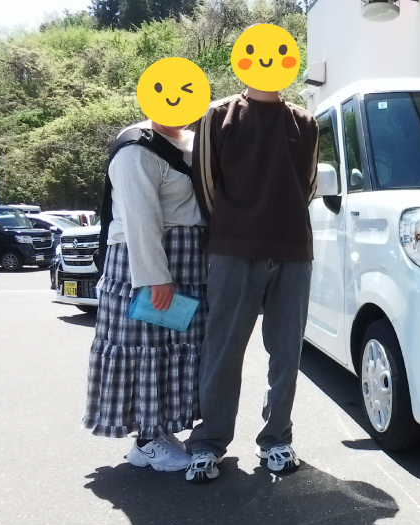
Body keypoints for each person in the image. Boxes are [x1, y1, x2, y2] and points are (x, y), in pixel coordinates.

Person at [184, 72, 319, 483]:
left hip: (293, 249)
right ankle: (209, 442)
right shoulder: (218, 115)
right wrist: (234, 226)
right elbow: (205, 181)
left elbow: (309, 185)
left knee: (287, 352)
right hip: (233, 249)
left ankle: (276, 438)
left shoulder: (305, 121)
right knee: (223, 350)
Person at [82, 119, 207, 471]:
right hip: (145, 262)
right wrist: (155, 277)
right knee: (147, 348)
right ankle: (147, 441)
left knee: (173, 349)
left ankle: (160, 431)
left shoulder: (193, 140)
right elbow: (140, 218)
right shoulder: (136, 147)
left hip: (186, 261)